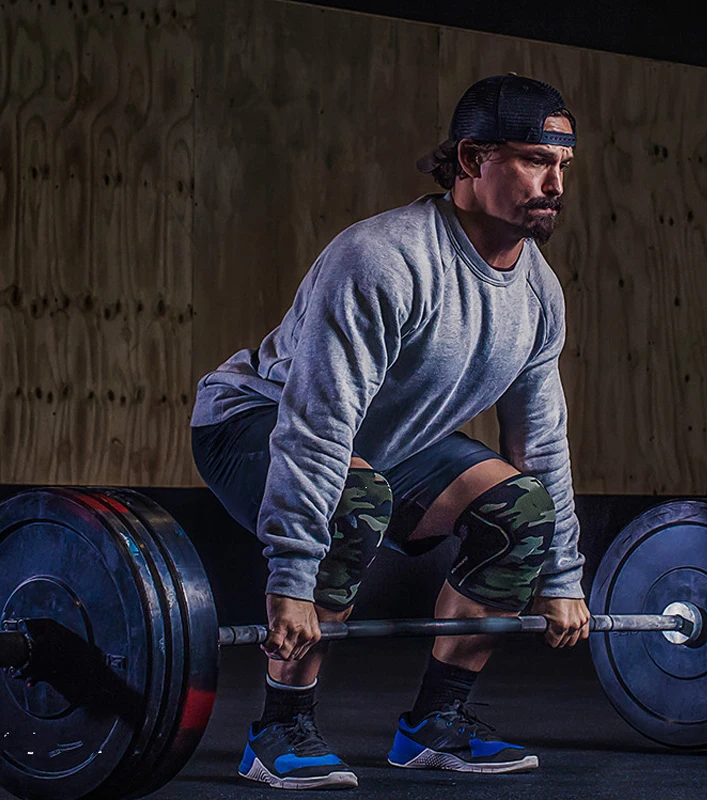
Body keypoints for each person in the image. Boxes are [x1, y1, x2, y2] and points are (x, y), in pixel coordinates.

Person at [191, 73, 590, 790]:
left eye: (563, 164)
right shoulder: (384, 258)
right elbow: (318, 422)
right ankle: (279, 727)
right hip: (259, 421)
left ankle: (435, 724)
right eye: (535, 160)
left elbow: (541, 440)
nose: (555, 182)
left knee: (521, 512)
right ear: (471, 161)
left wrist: (562, 576)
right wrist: (290, 579)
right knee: (354, 498)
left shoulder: (539, 292)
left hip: (386, 444)